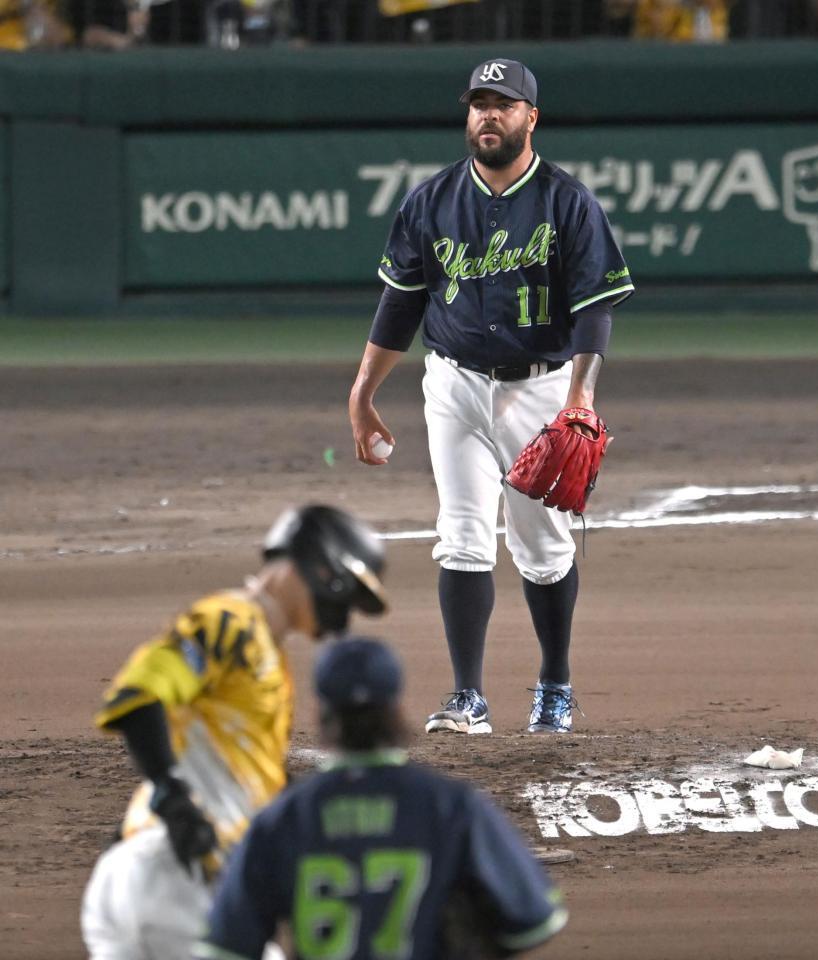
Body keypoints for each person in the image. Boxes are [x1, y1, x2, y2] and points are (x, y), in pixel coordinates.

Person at [348, 59, 634, 736]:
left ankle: (555, 684)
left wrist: (580, 399)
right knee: (463, 536)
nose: (488, 114)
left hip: (540, 388)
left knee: (542, 546)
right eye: (478, 103)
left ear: (530, 117)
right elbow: (400, 303)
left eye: (503, 104)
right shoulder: (431, 200)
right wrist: (363, 391)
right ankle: (466, 696)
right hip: (453, 381)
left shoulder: (567, 202)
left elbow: (594, 312)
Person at [80, 505, 387, 960]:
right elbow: (140, 695)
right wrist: (171, 796)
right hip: (178, 880)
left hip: (140, 875)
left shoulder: (264, 650)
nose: (341, 619)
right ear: (324, 569)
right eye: (346, 598)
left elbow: (230, 768)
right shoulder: (233, 621)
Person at [195, 636, 569, 960]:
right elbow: (534, 922)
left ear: (323, 714)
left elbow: (228, 945)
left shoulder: (283, 818)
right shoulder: (450, 806)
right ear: (396, 708)